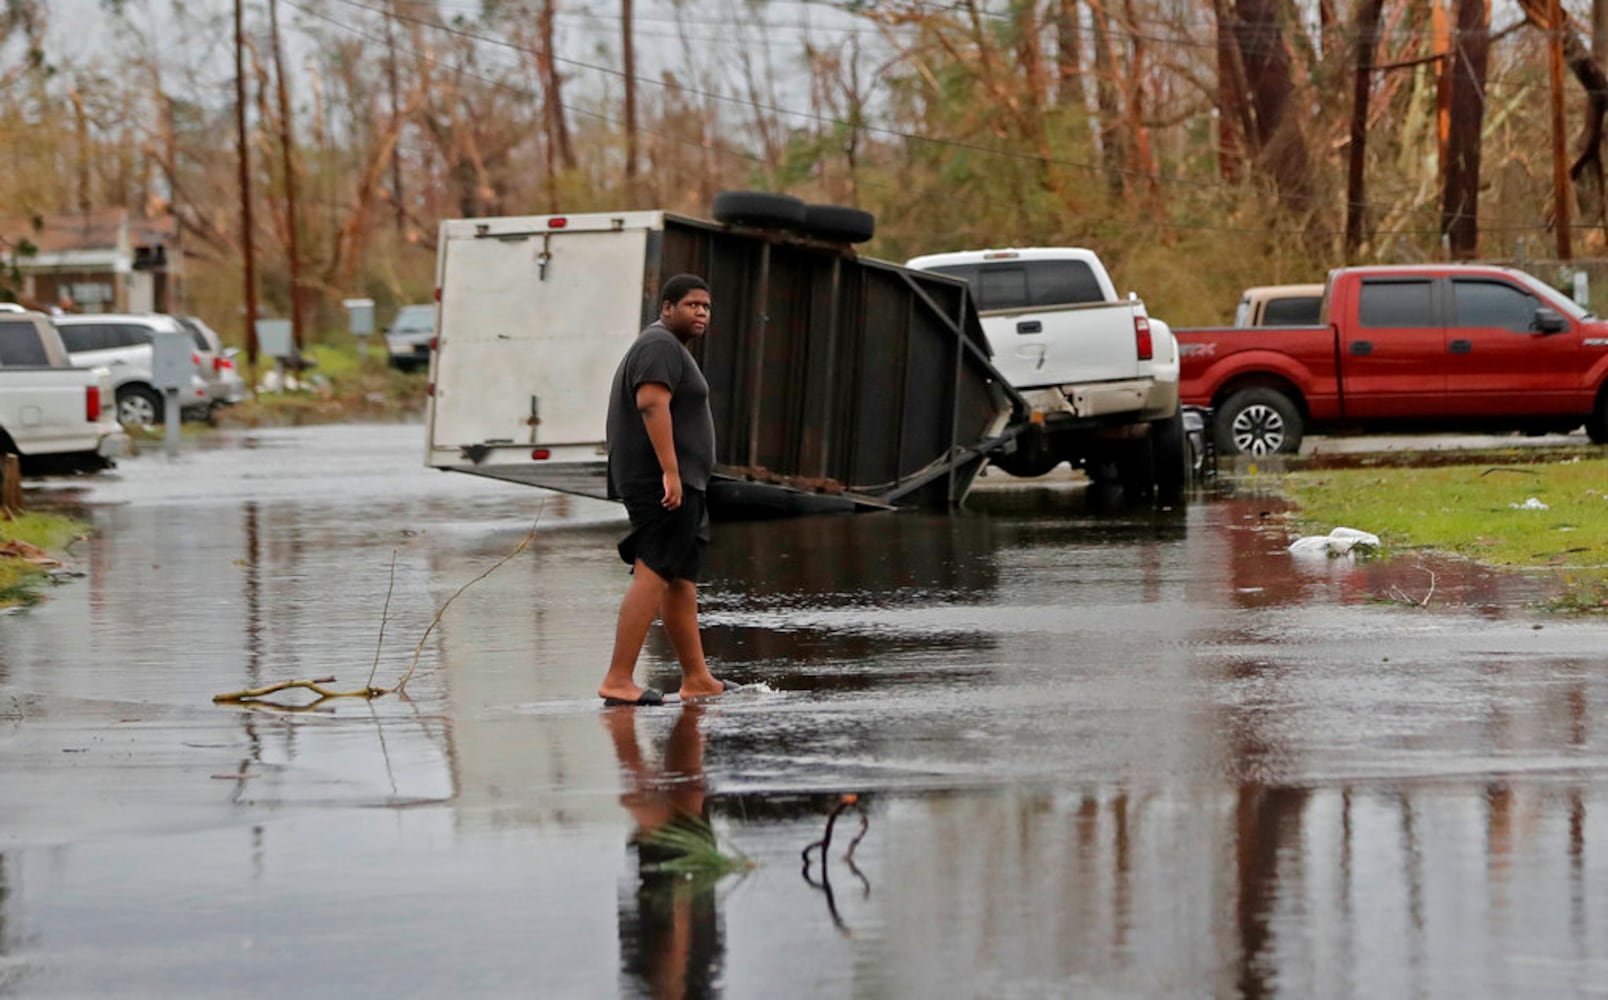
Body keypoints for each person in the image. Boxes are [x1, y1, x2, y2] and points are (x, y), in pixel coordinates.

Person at [597, 274, 739, 707]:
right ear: (666, 308)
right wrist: (671, 471)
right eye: (692, 305)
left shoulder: (670, 349)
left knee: (680, 578)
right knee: (654, 570)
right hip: (660, 481)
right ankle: (618, 679)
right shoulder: (658, 345)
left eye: (707, 307)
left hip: (682, 482)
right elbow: (650, 403)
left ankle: (697, 678)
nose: (701, 313)